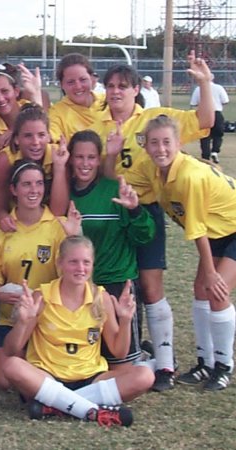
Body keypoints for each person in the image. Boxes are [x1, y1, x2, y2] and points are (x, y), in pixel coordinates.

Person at [96, 52, 214, 391]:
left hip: (144, 211)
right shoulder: (97, 123)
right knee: (115, 286)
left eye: (123, 86)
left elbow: (204, 119)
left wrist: (204, 83)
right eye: (111, 86)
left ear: (136, 90)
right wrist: (111, 154)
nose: (116, 92)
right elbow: (104, 176)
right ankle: (126, 350)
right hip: (111, 215)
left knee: (150, 288)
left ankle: (165, 365)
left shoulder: (153, 120)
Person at [3, 236, 154, 427]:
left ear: (92, 265)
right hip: (48, 377)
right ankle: (93, 411)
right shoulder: (42, 296)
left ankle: (58, 405)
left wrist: (125, 320)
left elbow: (119, 352)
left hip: (92, 378)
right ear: (60, 264)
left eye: (86, 262)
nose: (80, 268)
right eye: (73, 262)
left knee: (145, 376)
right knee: (12, 365)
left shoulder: (101, 297)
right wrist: (23, 322)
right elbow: (10, 349)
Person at [143, 115, 236, 391]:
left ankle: (223, 366)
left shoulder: (189, 177)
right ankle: (205, 362)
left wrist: (210, 271)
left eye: (167, 142)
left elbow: (197, 230)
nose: (161, 149)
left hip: (229, 228)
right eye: (154, 143)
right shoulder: (153, 170)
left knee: (216, 292)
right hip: (220, 230)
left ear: (179, 143)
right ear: (145, 146)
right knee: (200, 291)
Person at [0, 160, 80, 389]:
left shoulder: (57, 227)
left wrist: (72, 237)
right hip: (11, 317)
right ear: (14, 190)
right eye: (27, 184)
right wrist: (0, 293)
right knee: (2, 380)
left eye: (39, 183)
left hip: (47, 318)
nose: (34, 190)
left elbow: (72, 278)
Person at [68, 129, 155, 366]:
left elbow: (145, 235)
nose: (85, 164)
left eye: (91, 157)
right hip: (80, 286)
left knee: (121, 361)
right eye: (79, 157)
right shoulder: (62, 193)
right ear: (70, 158)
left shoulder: (113, 191)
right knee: (86, 359)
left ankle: (148, 360)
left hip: (116, 283)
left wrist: (135, 210)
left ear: (99, 159)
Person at [0, 105, 69, 233]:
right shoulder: (4, 160)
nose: (35, 142)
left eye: (41, 135)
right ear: (16, 139)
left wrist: (59, 167)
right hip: (18, 224)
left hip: (50, 224)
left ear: (49, 136)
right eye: (28, 136)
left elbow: (58, 212)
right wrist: (2, 217)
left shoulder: (58, 155)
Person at [48, 53, 106, 144]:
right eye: (71, 82)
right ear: (61, 85)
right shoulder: (57, 112)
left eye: (83, 80)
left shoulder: (108, 102)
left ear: (92, 79)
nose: (78, 86)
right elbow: (48, 139)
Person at [191, 74, 229, 163]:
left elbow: (194, 103)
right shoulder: (219, 88)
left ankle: (205, 156)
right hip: (216, 112)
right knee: (218, 134)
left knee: (204, 136)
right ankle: (215, 151)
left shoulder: (198, 89)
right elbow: (225, 101)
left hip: (203, 113)